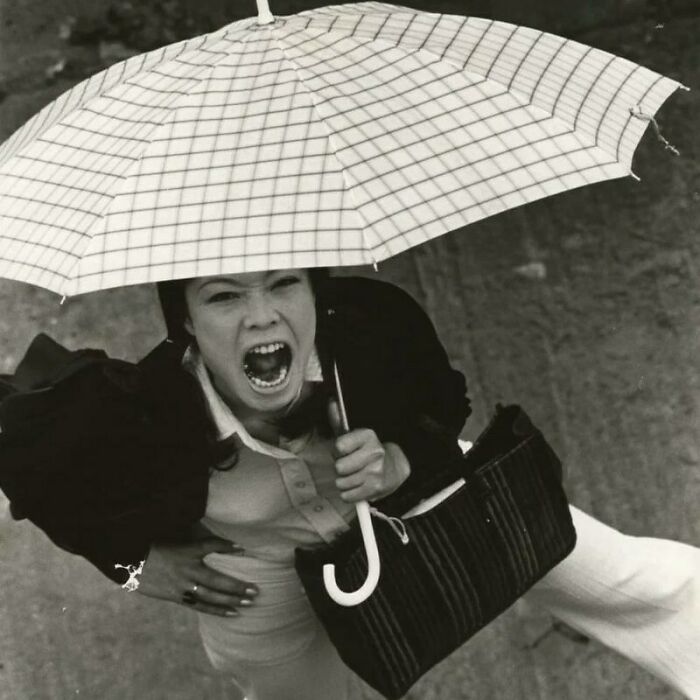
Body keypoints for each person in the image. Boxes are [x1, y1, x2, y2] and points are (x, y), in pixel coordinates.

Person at [0, 268, 698, 699]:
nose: (261, 315)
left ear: (316, 291)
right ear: (184, 318)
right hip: (260, 573)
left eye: (284, 283)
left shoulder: (372, 325)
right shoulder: (138, 410)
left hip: (420, 504)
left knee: (637, 582)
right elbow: (30, 468)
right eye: (224, 295)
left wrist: (401, 459)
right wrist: (129, 565)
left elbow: (444, 399)